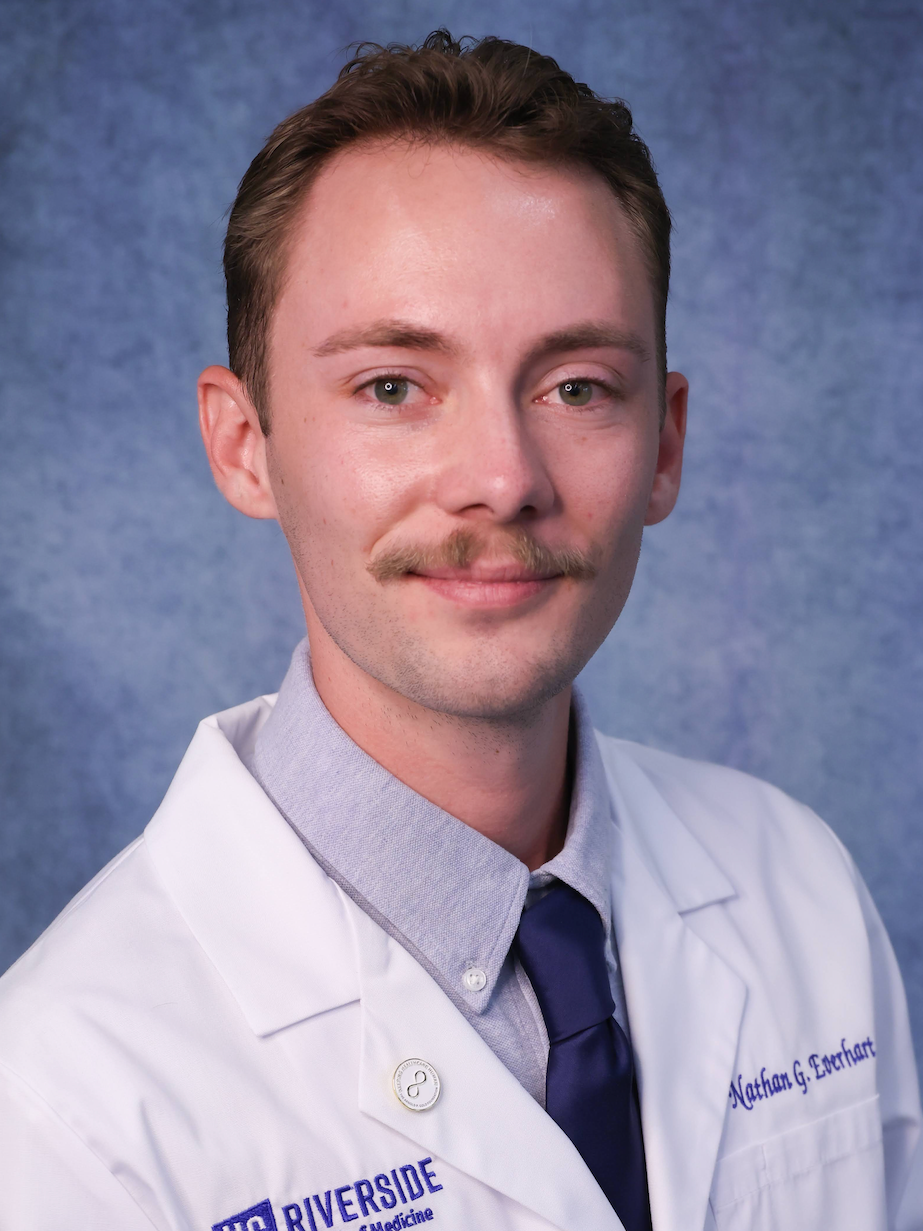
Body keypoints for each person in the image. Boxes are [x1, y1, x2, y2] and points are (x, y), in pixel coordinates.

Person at [0, 29, 919, 1231]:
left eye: (575, 386)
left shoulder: (797, 888)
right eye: (392, 386)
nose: (501, 477)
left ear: (665, 443)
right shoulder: (63, 1108)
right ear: (244, 445)